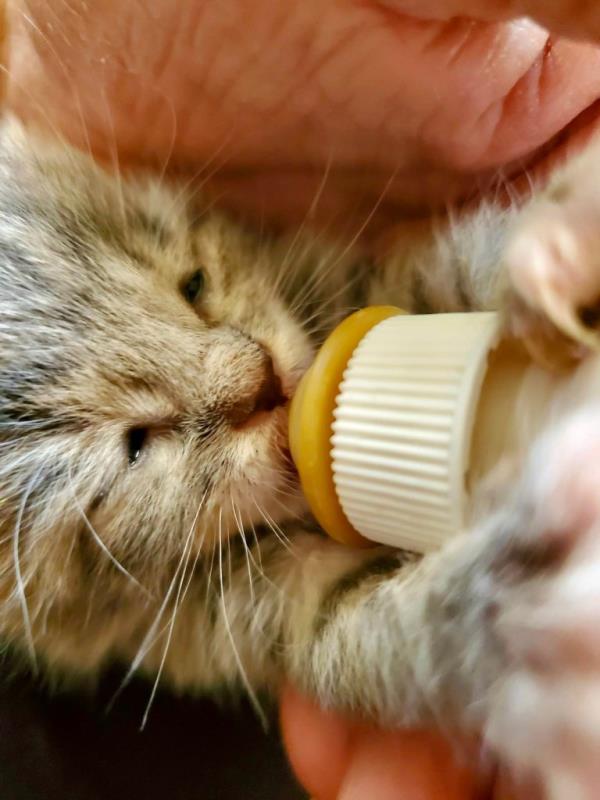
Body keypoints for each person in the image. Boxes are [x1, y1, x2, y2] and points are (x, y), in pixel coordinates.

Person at [7, 2, 600, 797]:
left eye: (194, 284)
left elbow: (399, 290)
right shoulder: (131, 608)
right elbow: (319, 624)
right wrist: (493, 604)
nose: (242, 369)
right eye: (137, 443)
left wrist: (526, 267)